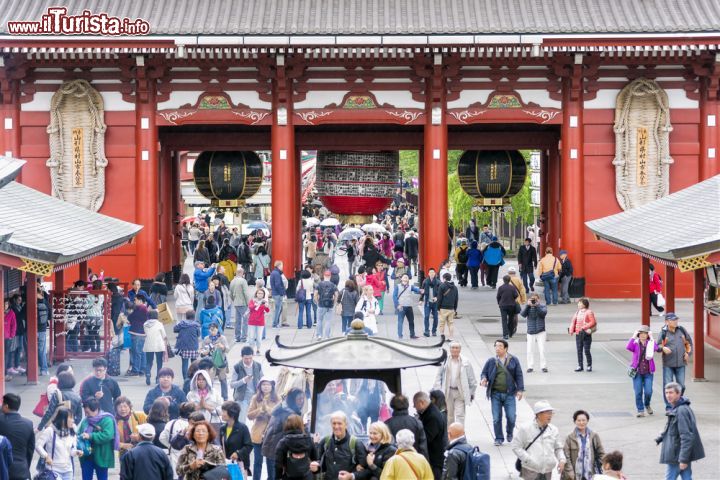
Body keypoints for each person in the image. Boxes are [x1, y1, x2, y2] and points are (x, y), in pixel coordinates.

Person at [656, 382, 705, 480]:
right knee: (687, 477)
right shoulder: (678, 408)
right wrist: (661, 437)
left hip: (677, 456)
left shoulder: (681, 411)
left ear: (679, 394)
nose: (668, 396)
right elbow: (672, 428)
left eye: (671, 393)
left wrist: (683, 459)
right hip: (681, 454)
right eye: (666, 393)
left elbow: (687, 436)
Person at [480, 339, 524, 446]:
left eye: (500, 346)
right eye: (496, 346)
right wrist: (484, 379)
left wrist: (520, 390)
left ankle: (509, 432)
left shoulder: (513, 360)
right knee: (496, 418)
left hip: (509, 394)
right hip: (495, 394)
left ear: (505, 348)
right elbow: (484, 373)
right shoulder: (491, 361)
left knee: (511, 417)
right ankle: (499, 437)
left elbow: (519, 375)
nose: (497, 348)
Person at [512, 401, 566, 480]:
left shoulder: (553, 429)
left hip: (547, 471)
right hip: (530, 470)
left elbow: (558, 448)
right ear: (538, 414)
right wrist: (528, 459)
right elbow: (516, 447)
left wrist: (562, 460)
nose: (550, 416)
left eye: (551, 413)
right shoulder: (525, 428)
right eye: (547, 413)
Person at [262, 388, 307, 480]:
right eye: (299, 399)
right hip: (275, 451)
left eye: (303, 399)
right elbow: (292, 434)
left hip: (272, 449)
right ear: (292, 400)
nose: (302, 401)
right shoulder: (288, 414)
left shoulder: (283, 408)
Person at [311, 411, 368, 480]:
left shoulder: (356, 443)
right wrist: (316, 468)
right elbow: (319, 463)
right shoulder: (325, 441)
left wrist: (351, 476)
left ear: (346, 425)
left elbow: (367, 471)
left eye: (339, 423)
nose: (336, 426)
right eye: (334, 423)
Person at [433, 341, 477, 425]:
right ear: (450, 349)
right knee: (449, 415)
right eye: (453, 348)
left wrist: (470, 393)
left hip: (460, 392)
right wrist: (438, 391)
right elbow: (438, 376)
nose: (454, 350)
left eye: (457, 348)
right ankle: (450, 434)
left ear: (460, 349)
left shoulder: (466, 362)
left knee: (460, 415)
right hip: (448, 392)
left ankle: (459, 434)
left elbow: (472, 380)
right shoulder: (445, 361)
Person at [657, 312, 693, 411]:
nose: (676, 322)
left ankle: (677, 403)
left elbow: (688, 342)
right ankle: (669, 407)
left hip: (681, 363)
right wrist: (663, 348)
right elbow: (657, 346)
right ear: (667, 321)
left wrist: (688, 353)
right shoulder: (663, 333)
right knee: (667, 386)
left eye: (676, 319)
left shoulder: (682, 330)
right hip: (668, 363)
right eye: (673, 320)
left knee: (681, 386)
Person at [78, 397, 119, 480]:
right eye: (85, 412)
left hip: (101, 455)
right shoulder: (86, 420)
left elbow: (107, 435)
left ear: (96, 409)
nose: (86, 415)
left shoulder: (107, 420)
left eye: (88, 412)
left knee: (102, 478)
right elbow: (79, 433)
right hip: (87, 456)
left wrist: (90, 436)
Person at [35, 407, 81, 480]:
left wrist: (76, 452)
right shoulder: (50, 431)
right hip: (53, 470)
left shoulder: (72, 432)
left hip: (68, 470)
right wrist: (46, 456)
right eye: (70, 418)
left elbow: (71, 452)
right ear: (63, 420)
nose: (73, 420)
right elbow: (38, 445)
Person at [561, 410, 605, 480]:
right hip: (574, 475)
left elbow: (601, 453)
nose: (581, 423)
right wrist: (570, 472)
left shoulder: (594, 436)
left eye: (584, 420)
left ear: (587, 421)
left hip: (591, 474)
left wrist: (606, 467)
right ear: (575, 421)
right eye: (579, 420)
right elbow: (566, 456)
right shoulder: (569, 437)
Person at [414, 391, 448, 479]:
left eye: (415, 404)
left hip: (434, 461)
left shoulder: (432, 416)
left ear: (422, 402)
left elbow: (426, 438)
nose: (414, 407)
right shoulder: (429, 412)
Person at [0, 393, 34, 480]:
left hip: (3, 469)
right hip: (21, 470)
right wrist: (25, 466)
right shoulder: (28, 424)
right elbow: (30, 450)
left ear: (6, 406)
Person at [274, 414, 318, 480]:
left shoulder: (283, 442)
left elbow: (278, 465)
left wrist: (278, 477)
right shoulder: (308, 440)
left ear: (287, 425)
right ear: (301, 425)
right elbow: (315, 459)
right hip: (306, 477)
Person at [626, 325, 657, 417]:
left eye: (645, 333)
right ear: (639, 334)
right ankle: (640, 409)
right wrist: (633, 336)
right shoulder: (635, 343)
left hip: (648, 372)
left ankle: (647, 404)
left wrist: (652, 338)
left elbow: (655, 348)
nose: (643, 335)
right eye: (641, 333)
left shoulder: (650, 343)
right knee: (638, 392)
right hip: (637, 372)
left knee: (648, 391)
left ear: (648, 334)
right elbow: (628, 347)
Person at [200, 322, 230, 401]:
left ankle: (225, 397)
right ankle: (210, 396)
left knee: (223, 379)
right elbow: (201, 351)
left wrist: (222, 347)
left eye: (214, 329)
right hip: (210, 363)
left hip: (220, 361)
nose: (212, 331)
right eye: (211, 330)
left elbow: (227, 349)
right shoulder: (206, 339)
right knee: (210, 380)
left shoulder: (222, 338)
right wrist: (204, 352)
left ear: (217, 329)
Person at [219, 401, 252, 468]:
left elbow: (249, 446)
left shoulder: (243, 428)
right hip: (227, 464)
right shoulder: (222, 428)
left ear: (232, 414)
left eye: (223, 411)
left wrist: (238, 453)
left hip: (240, 465)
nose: (221, 414)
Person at [522, 293, 549, 373]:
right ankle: (530, 366)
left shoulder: (542, 306)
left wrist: (537, 306)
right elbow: (523, 314)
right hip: (530, 331)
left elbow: (543, 314)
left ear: (538, 300)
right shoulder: (528, 306)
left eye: (536, 299)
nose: (534, 301)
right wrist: (528, 305)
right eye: (532, 299)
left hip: (541, 331)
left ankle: (543, 366)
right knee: (529, 350)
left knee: (542, 350)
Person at [569, 298, 597, 372]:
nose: (578, 304)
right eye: (578, 303)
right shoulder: (577, 312)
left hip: (585, 334)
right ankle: (580, 365)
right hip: (578, 334)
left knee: (587, 350)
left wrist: (585, 327)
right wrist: (571, 330)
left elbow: (593, 322)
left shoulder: (589, 312)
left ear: (584, 304)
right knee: (579, 350)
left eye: (580, 303)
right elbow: (573, 322)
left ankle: (589, 365)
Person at [174, 310, 201, 381]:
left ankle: (185, 380)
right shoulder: (196, 325)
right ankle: (194, 379)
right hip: (194, 347)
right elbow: (198, 334)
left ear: (186, 316)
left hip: (184, 347)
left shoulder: (182, 324)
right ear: (194, 317)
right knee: (194, 364)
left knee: (184, 364)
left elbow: (175, 329)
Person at [126, 294, 149, 377]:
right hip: (141, 332)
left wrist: (129, 314)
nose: (134, 302)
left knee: (137, 352)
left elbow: (131, 318)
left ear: (140, 300)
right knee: (141, 352)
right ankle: (142, 370)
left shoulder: (141, 308)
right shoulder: (144, 308)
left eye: (135, 300)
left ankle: (136, 370)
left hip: (137, 332)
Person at [392, 273, 421, 339]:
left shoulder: (410, 286)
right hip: (401, 307)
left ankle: (412, 335)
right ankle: (400, 335)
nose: (405, 278)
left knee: (411, 321)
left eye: (407, 277)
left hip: (409, 306)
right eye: (404, 277)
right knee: (400, 321)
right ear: (401, 279)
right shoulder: (398, 286)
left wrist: (420, 290)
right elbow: (394, 296)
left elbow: (416, 290)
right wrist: (397, 305)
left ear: (408, 279)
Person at [143, 310, 168, 386]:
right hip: (158, 345)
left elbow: (145, 333)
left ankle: (148, 373)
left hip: (148, 344)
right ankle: (158, 378)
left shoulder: (145, 324)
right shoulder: (159, 324)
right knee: (159, 362)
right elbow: (164, 335)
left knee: (149, 362)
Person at [314, 270, 338, 340]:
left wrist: (317, 302)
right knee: (328, 321)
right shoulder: (333, 285)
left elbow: (315, 294)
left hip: (321, 304)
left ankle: (319, 335)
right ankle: (327, 336)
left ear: (324, 276)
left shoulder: (319, 284)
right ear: (330, 276)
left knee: (319, 320)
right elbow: (336, 295)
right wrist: (334, 302)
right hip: (329, 305)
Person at [248, 288, 271, 354]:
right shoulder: (252, 301)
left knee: (259, 337)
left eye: (261, 293)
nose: (260, 295)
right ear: (256, 294)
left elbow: (267, 311)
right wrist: (256, 304)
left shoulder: (264, 302)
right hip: (252, 321)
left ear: (263, 295)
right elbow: (250, 308)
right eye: (259, 293)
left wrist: (266, 306)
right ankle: (251, 350)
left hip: (260, 321)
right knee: (251, 337)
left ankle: (258, 349)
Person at [437, 273, 459, 342]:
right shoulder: (455, 287)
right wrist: (455, 308)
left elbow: (439, 298)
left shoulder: (442, 286)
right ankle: (451, 337)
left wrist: (438, 308)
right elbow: (456, 299)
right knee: (451, 323)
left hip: (443, 308)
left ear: (444, 278)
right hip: (451, 308)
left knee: (442, 323)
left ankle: (442, 336)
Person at [496, 275, 519, 340]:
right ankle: (510, 333)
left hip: (503, 305)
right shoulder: (512, 287)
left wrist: (499, 302)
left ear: (503, 280)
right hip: (511, 305)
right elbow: (516, 295)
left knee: (504, 320)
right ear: (509, 280)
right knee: (511, 319)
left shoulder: (501, 288)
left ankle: (505, 334)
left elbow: (498, 296)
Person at [420, 268, 440, 337]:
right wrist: (420, 299)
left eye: (433, 272)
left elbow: (440, 293)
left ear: (435, 274)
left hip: (435, 303)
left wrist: (437, 297)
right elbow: (422, 291)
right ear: (428, 274)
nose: (432, 274)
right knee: (426, 316)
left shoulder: (438, 282)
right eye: (430, 272)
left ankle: (434, 331)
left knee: (436, 317)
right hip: (427, 302)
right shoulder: (425, 281)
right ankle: (426, 331)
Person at [269, 261, 287, 329]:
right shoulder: (276, 273)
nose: (282, 267)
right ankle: (275, 323)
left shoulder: (274, 273)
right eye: (282, 265)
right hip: (278, 294)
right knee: (278, 309)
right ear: (279, 265)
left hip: (275, 293)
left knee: (278, 309)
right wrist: (282, 293)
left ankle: (276, 323)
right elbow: (277, 285)